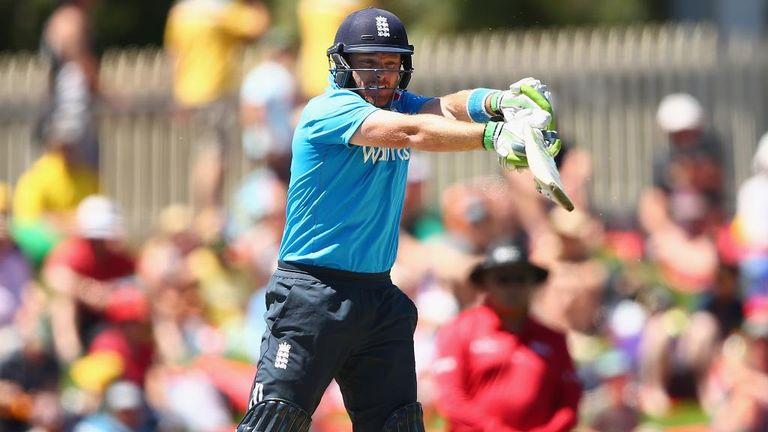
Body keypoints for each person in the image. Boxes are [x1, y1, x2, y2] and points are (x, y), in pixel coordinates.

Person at [235, 7, 560, 431]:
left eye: (390, 64)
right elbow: (413, 132)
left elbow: (447, 106)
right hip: (311, 293)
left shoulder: (401, 104)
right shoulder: (327, 110)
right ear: (343, 63)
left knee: (398, 425)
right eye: (368, 62)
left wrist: (498, 103)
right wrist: (494, 136)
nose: (379, 75)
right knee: (274, 422)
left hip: (378, 297)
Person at [432, 240, 582, 431]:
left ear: (533, 283)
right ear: (485, 284)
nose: (513, 287)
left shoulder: (554, 339)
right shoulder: (459, 330)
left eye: (520, 279)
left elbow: (569, 402)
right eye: (503, 279)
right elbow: (451, 399)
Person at [164, 0, 270, 213]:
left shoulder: (180, 11)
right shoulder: (221, 10)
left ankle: (203, 210)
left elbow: (174, 54)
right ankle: (211, 212)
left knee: (203, 154)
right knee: (216, 155)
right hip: (214, 92)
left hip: (189, 92)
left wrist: (175, 93)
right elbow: (257, 27)